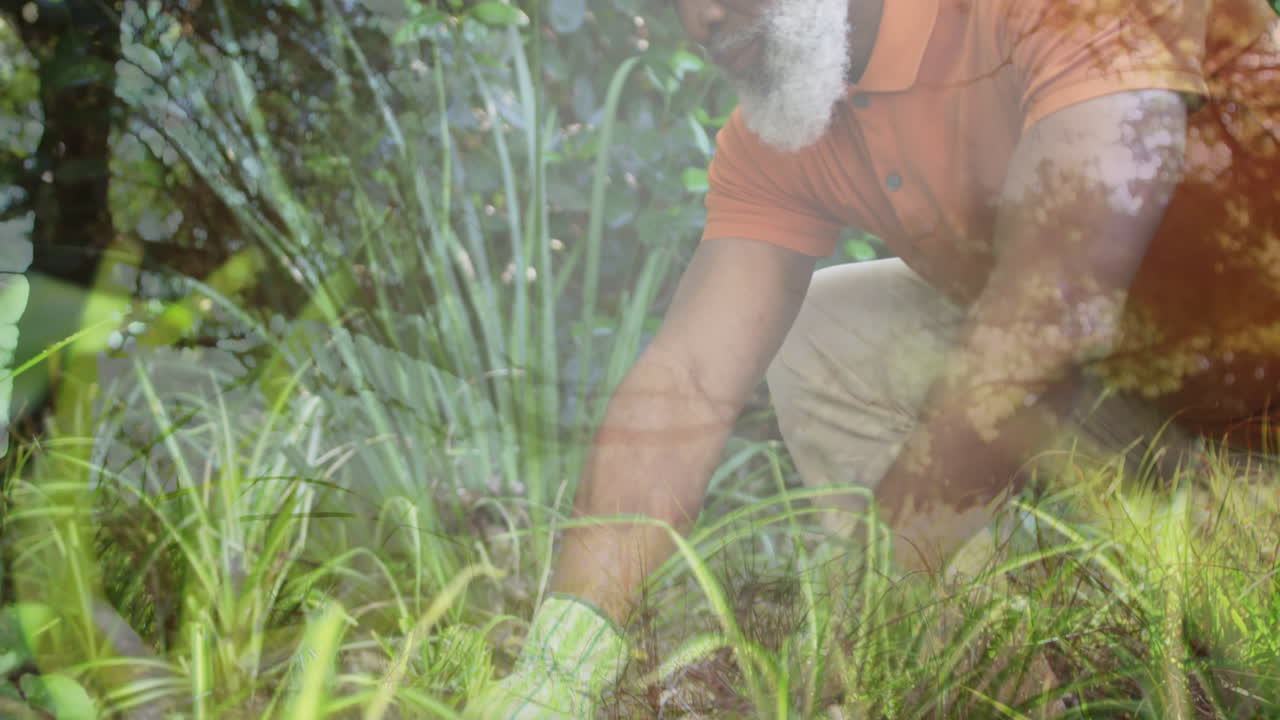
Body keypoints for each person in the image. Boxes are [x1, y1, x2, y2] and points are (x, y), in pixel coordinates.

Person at [466, 0, 1280, 716]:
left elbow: (1055, 306)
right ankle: (985, 688)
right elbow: (685, 383)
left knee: (1254, 676)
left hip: (1259, 425)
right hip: (1125, 405)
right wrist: (560, 662)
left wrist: (868, 587)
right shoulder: (790, 126)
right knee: (827, 334)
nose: (699, 16)